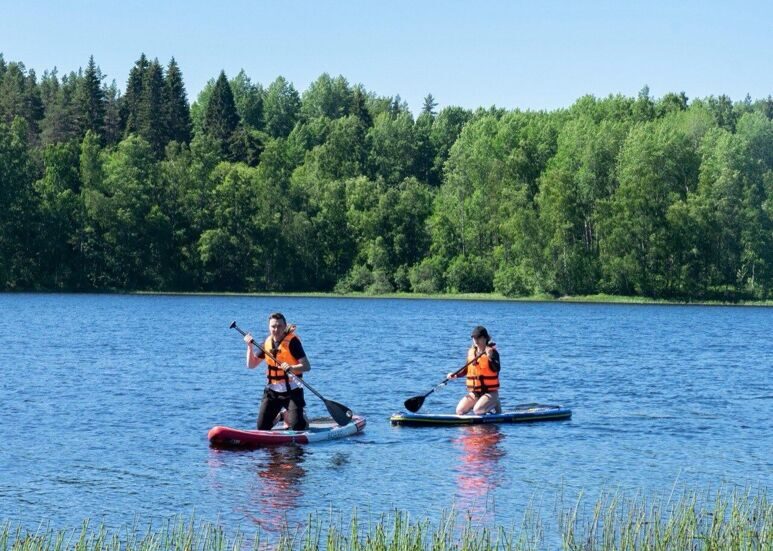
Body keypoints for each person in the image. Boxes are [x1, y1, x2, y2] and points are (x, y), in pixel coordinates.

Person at [244, 312, 311, 430]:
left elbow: (306, 366)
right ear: (269, 327)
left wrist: (292, 368)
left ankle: (300, 418)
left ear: (285, 327)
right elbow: (251, 365)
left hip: (292, 391)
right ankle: (282, 415)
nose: (276, 329)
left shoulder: (293, 342)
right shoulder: (267, 343)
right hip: (272, 392)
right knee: (261, 427)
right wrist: (249, 346)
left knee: (298, 427)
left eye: (279, 326)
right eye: (273, 326)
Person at [447, 325, 501, 415]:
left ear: (485, 338)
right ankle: (481, 404)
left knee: (478, 411)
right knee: (459, 411)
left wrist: (490, 357)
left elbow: (497, 369)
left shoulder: (493, 352)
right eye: (474, 338)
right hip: (475, 393)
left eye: (478, 338)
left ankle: (495, 402)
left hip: (490, 392)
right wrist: (455, 375)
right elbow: (466, 370)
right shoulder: (472, 352)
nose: (476, 340)